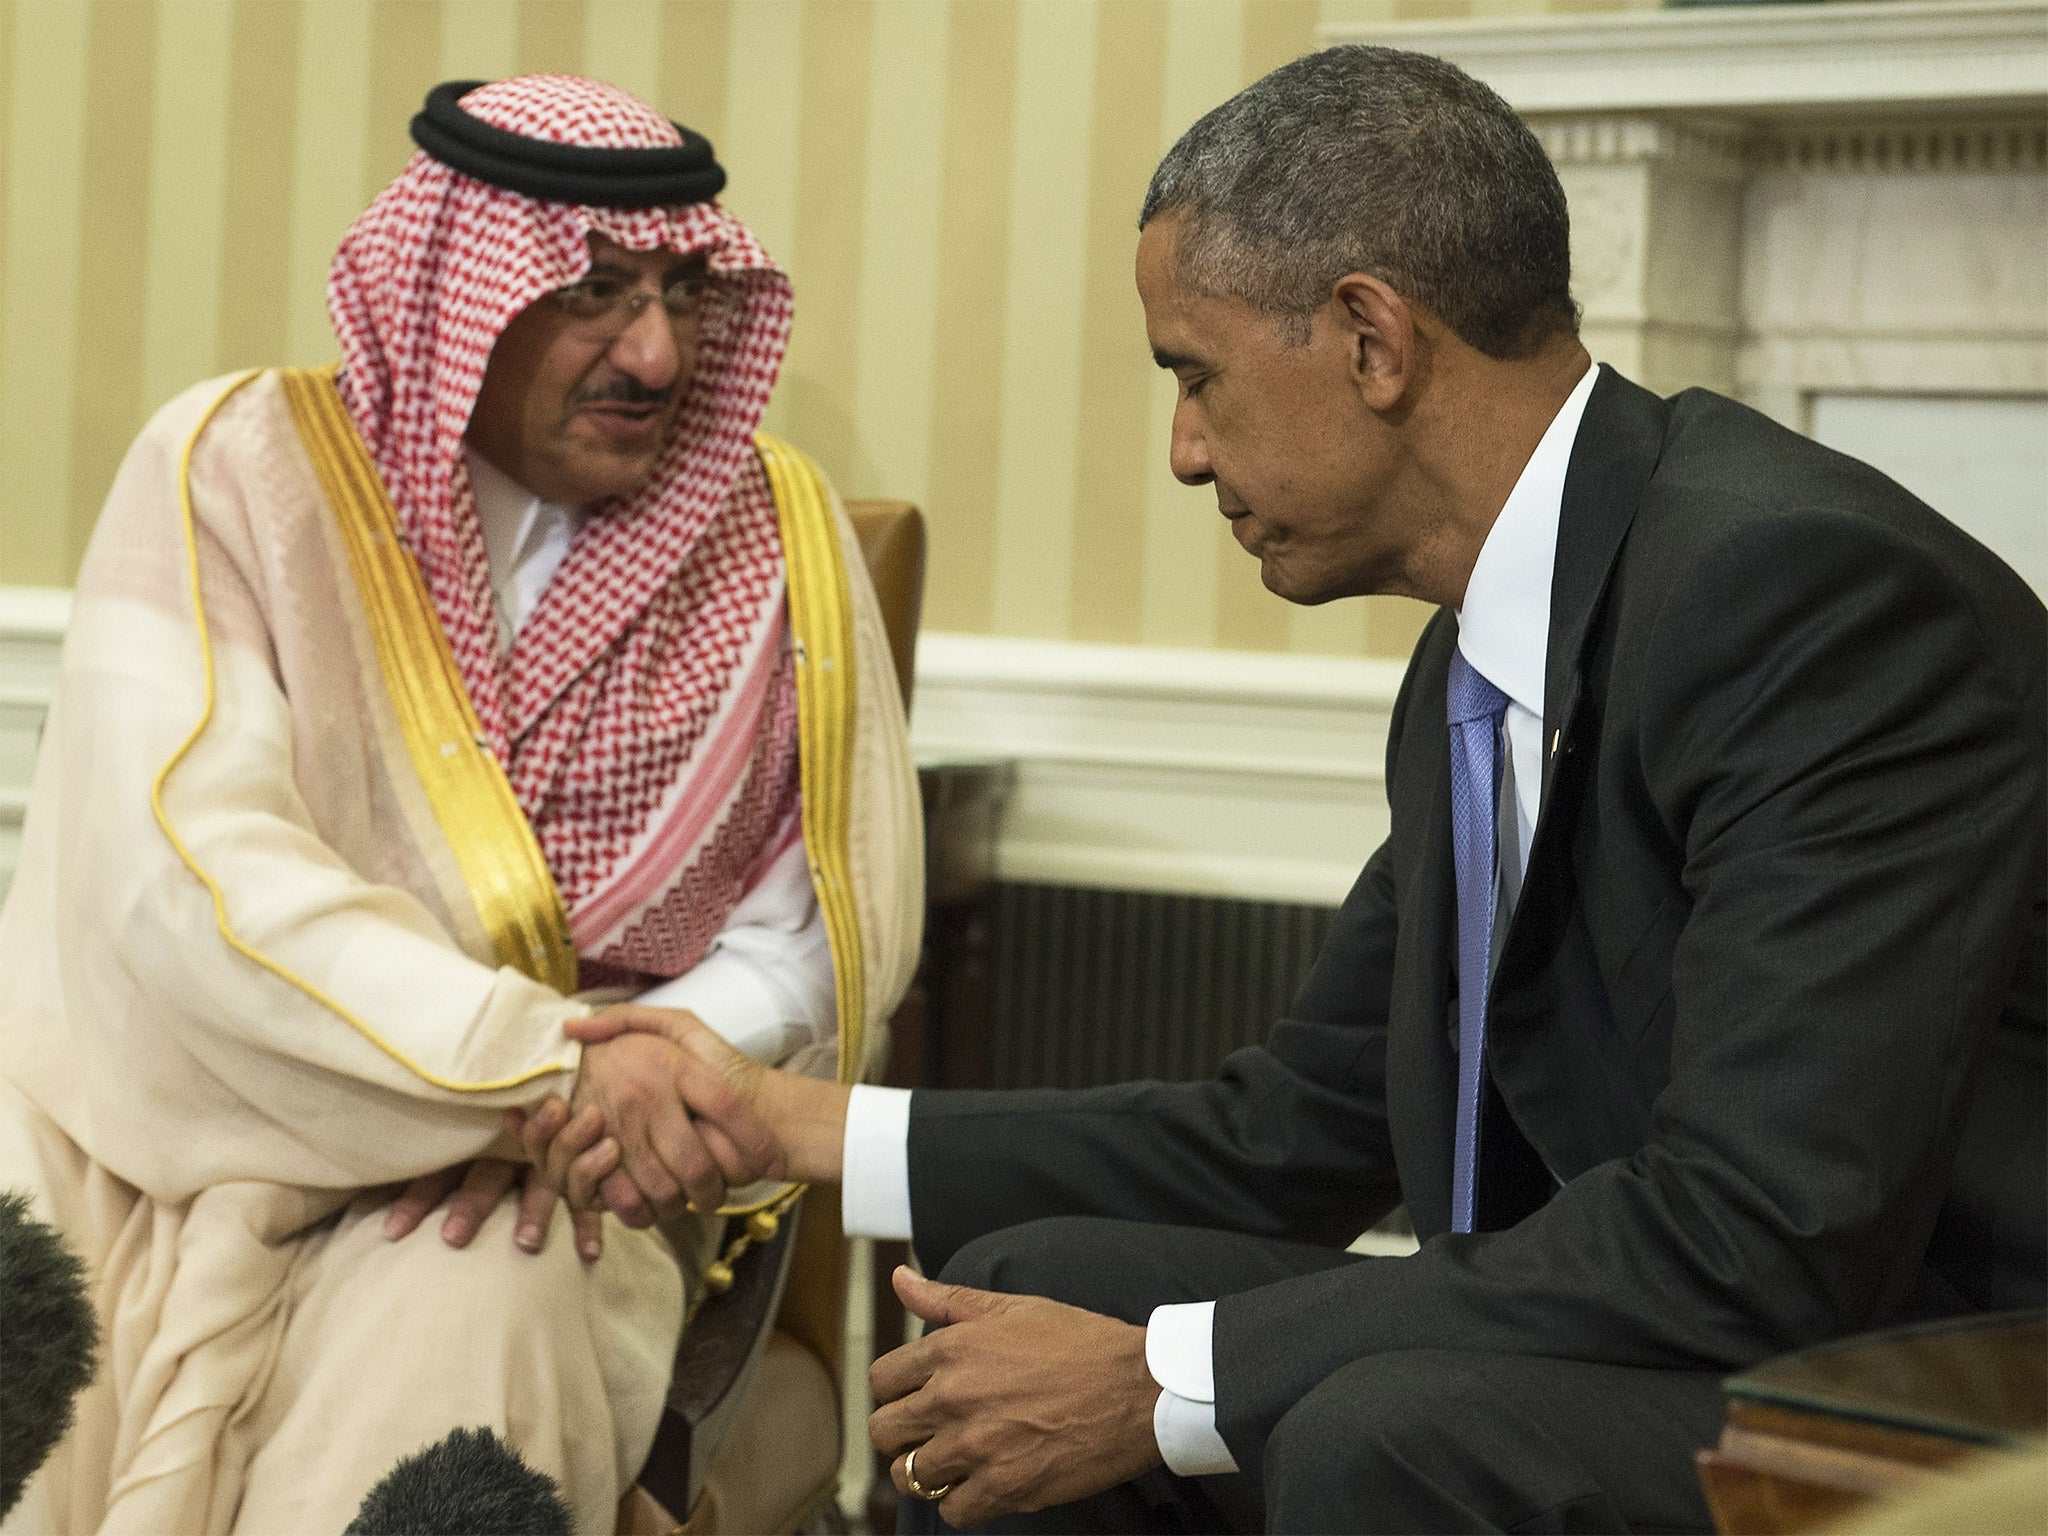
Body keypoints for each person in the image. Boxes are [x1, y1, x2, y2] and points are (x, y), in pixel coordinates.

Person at [611, 44, 2045, 1533]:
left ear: (1371, 339)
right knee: (1024, 1298)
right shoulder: (1478, 662)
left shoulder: (1804, 597)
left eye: (1195, 375)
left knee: (1390, 1429)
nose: (1182, 451)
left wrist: (1175, 1376)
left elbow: (1765, 1229)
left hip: (1927, 1376)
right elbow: (1291, 1132)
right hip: (1686, 1323)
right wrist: (797, 1127)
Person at [0, 74, 921, 1535]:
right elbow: (185, 873)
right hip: (178, 1117)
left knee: (465, 1342)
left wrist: (622, 1097)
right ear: (455, 298)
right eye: (598, 293)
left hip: (564, 1183)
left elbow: (815, 931)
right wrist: (529, 1069)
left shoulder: (773, 539)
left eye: (687, 293)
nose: (659, 351)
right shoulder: (236, 470)